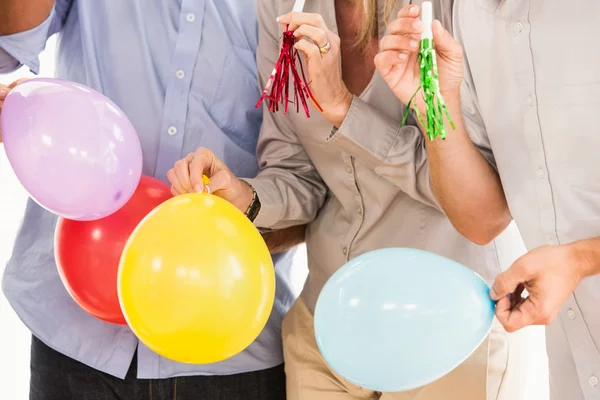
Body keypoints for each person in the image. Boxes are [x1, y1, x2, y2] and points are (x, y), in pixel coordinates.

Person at [168, 0, 545, 399]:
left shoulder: (454, 12)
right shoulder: (281, 6)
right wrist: (245, 197)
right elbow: (297, 170)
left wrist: (344, 110)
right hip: (327, 333)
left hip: (445, 332)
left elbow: (482, 214)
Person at [0, 1, 305, 399]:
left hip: (223, 346)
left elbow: (313, 182)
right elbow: (12, 45)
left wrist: (244, 207)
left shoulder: (292, 8)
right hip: (74, 333)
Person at [376, 2, 600, 399]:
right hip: (573, 373)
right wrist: (433, 112)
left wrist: (581, 258)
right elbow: (480, 221)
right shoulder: (469, 14)